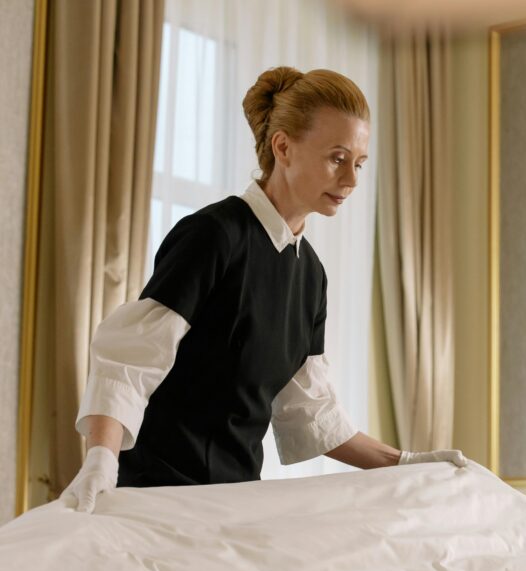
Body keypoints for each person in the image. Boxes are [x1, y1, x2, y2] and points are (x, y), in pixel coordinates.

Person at [59, 66, 467, 514]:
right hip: (158, 495)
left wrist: (404, 462)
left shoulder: (310, 276)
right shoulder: (213, 236)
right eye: (337, 158)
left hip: (235, 503)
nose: (351, 179)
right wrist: (101, 459)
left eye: (359, 163)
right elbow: (130, 360)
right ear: (283, 147)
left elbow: (311, 411)